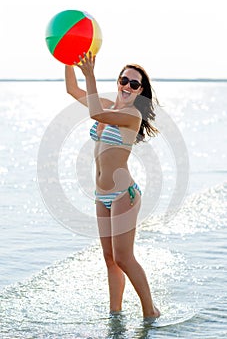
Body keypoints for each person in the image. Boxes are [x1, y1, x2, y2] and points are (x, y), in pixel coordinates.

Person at [65, 51, 160, 320]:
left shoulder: (132, 116)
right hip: (101, 195)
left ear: (141, 91)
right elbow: (72, 89)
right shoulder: (109, 106)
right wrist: (66, 56)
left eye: (134, 84)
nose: (127, 86)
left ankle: (150, 312)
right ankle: (115, 315)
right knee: (109, 259)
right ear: (118, 82)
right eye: (124, 80)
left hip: (123, 195)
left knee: (124, 258)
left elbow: (95, 112)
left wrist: (91, 75)